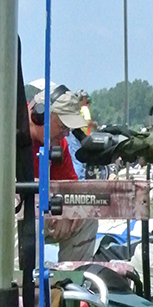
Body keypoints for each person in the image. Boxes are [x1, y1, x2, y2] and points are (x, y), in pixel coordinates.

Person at [28, 84, 98, 260]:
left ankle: (70, 282)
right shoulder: (6, 133)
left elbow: (71, 188)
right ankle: (22, 282)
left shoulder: (59, 144)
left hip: (37, 213)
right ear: (40, 116)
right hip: (15, 216)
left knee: (87, 217)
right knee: (28, 219)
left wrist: (69, 211)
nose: (66, 134)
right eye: (62, 126)